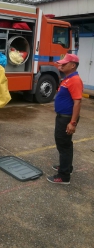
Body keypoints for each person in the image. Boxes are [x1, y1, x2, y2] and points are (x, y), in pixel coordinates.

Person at [47, 53, 83, 184]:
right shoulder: (68, 78)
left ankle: (64, 176)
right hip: (63, 117)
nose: (61, 65)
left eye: (65, 63)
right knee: (66, 144)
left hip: (67, 118)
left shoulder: (75, 80)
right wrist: (60, 67)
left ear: (73, 65)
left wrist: (72, 123)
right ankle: (67, 167)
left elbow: (77, 102)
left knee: (63, 145)